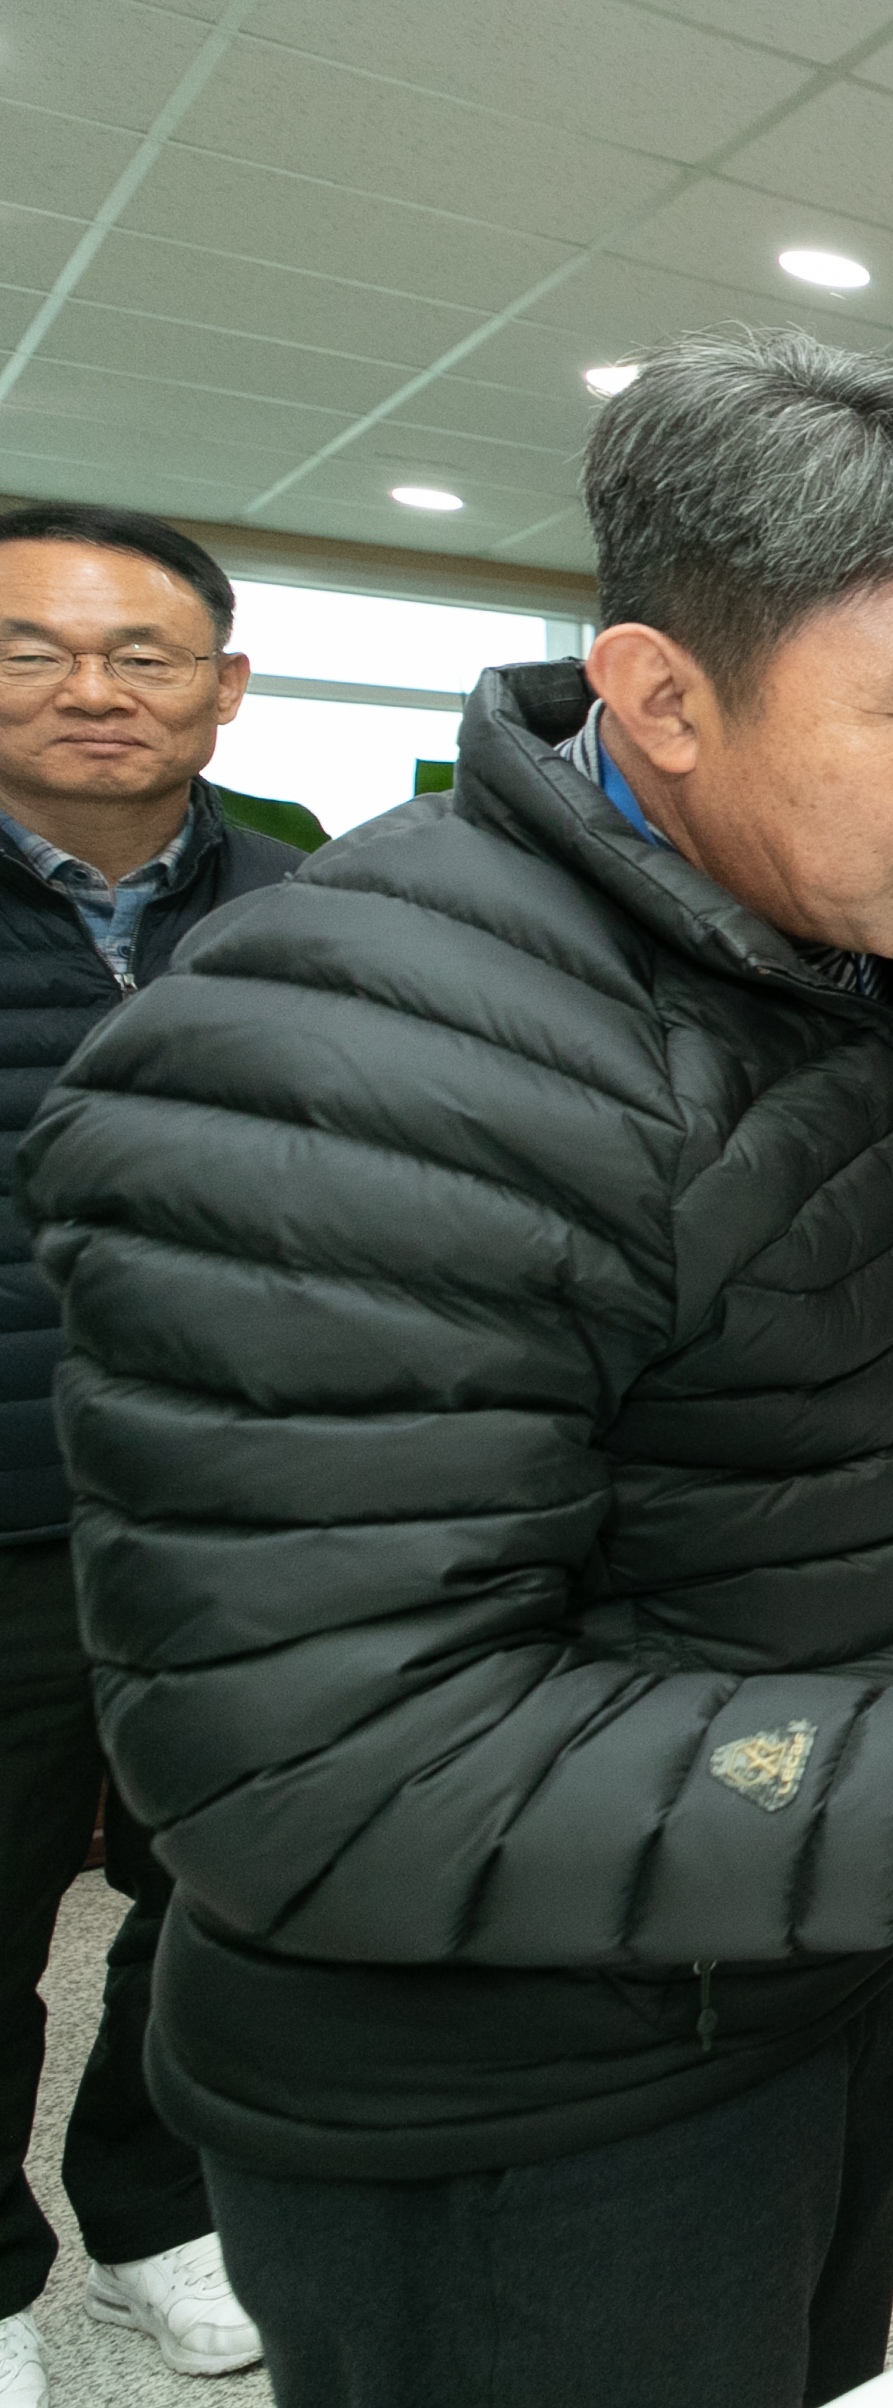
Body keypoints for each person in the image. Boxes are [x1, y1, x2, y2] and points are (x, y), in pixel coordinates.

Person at [19, 331, 893, 2408]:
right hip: (509, 2093)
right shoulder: (330, 1067)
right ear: (660, 697)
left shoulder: (856, 931)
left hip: (784, 1938)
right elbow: (314, 1766)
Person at [0, 504, 298, 2402]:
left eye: (144, 654)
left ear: (225, 689)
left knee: (219, 1905)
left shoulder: (315, 905)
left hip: (249, 1518)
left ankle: (153, 2210)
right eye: (35, 648)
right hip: (8, 1525)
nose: (94, 689)